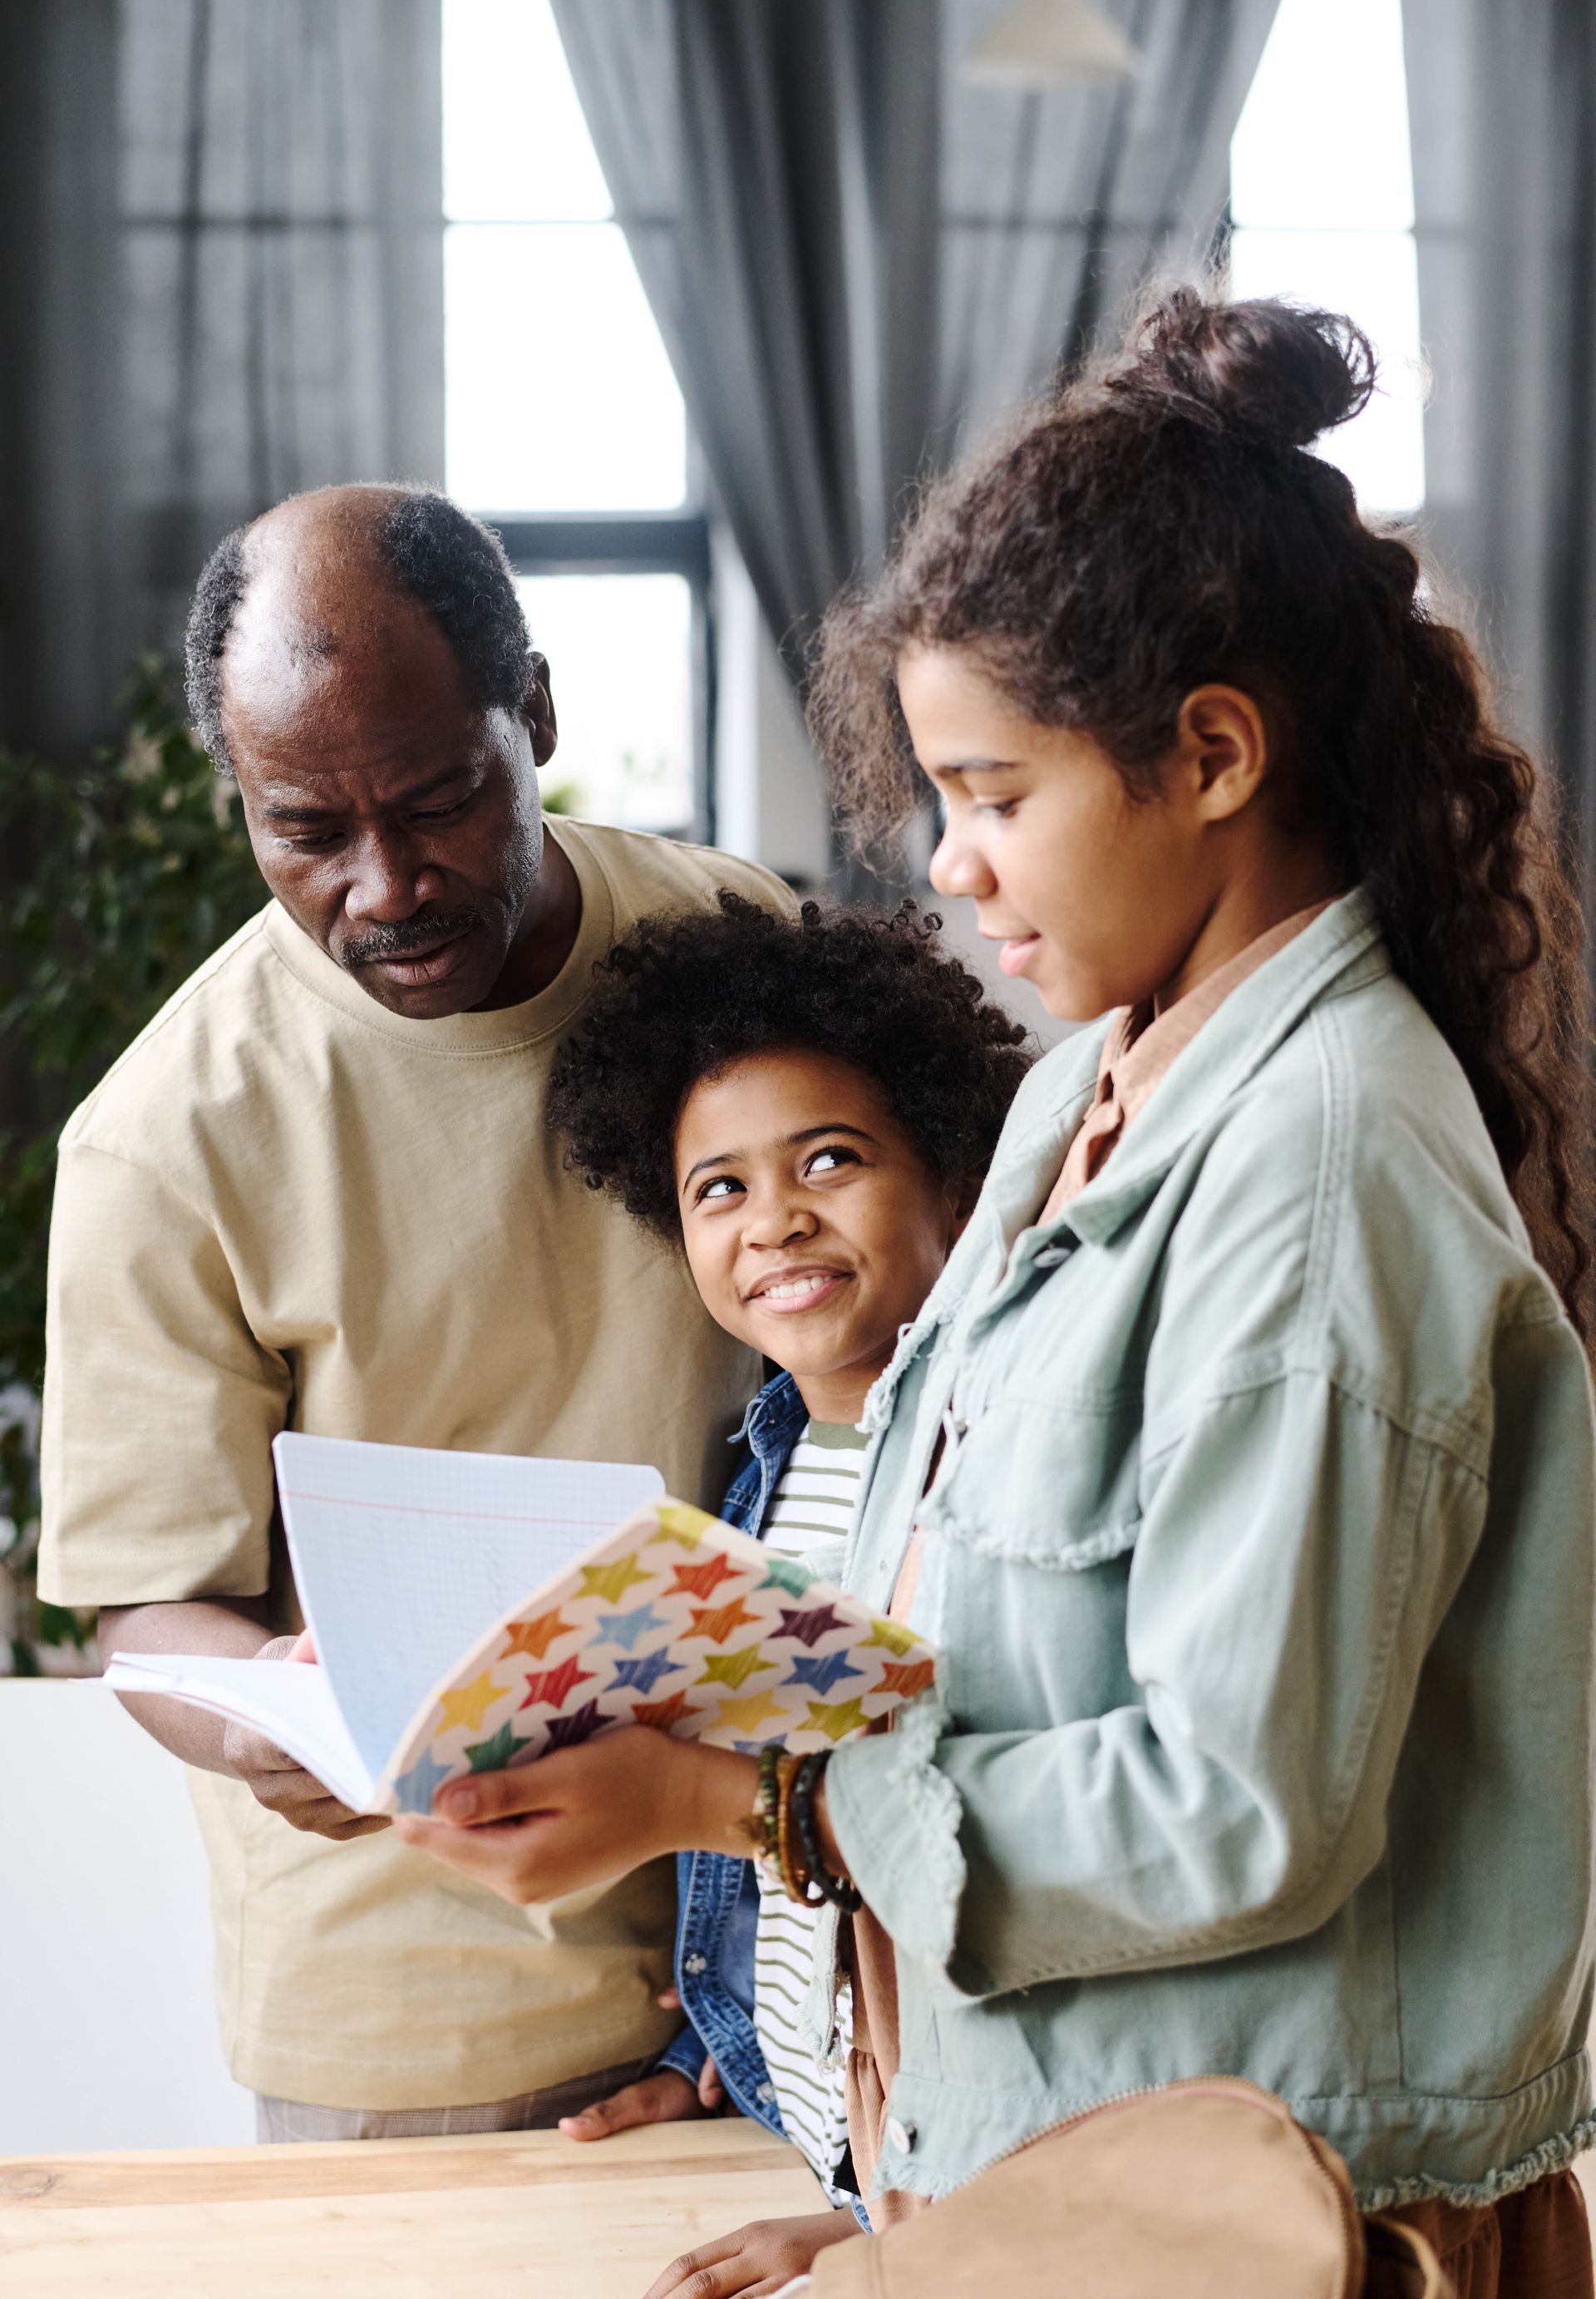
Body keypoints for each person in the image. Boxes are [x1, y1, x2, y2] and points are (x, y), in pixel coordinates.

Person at [390, 295, 1596, 2298]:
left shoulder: (1312, 1173)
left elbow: (1232, 1806)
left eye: (996, 794)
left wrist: (731, 1795)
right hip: (1080, 2202)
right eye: (935, 799)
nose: (948, 867)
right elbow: (993, 1653)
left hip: (1278, 2227)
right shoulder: (1076, 1105)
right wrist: (905, 2211)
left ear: (1212, 751)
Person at [37, 482, 791, 2143]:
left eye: (443, 799)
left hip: (780, 1941)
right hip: (426, 2019)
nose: (385, 885)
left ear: (532, 712)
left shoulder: (742, 952)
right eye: (304, 826)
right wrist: (261, 1717)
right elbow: (148, 1618)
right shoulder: (165, 1138)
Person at [535, 890, 1032, 2292]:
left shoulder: (991, 1475)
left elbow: (984, 1851)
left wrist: (872, 2228)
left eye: (830, 1159)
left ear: (950, 1173)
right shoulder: (751, 1484)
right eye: (720, 1189)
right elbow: (782, 1828)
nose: (776, 1222)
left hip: (951, 2191)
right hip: (820, 2146)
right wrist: (715, 2048)